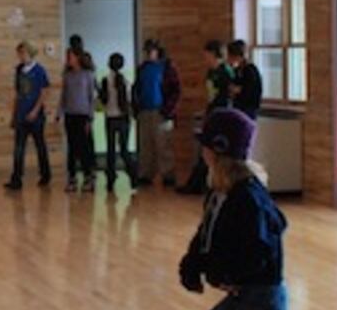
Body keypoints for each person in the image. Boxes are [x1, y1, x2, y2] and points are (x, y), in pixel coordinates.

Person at [123, 109, 337, 310]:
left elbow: (260, 251)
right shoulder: (219, 190)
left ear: (219, 150)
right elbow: (206, 232)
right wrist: (193, 264)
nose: (202, 150)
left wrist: (221, 272)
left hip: (261, 299)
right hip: (240, 298)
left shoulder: (249, 198)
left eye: (206, 145)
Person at [179, 40, 235, 195]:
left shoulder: (226, 72)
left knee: (214, 150)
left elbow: (227, 96)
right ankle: (198, 184)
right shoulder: (211, 72)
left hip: (222, 115)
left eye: (207, 55)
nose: (205, 59)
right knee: (205, 150)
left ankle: (209, 184)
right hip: (212, 113)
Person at [132, 40, 181, 188]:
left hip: (161, 112)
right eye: (146, 51)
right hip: (145, 111)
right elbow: (136, 89)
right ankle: (145, 174)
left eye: (150, 51)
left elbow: (175, 90)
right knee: (145, 145)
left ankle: (168, 175)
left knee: (164, 146)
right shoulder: (142, 69)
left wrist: (168, 110)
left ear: (157, 51)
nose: (148, 54)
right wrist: (137, 108)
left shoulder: (166, 68)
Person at [5, 40, 52, 190]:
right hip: (21, 114)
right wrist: (14, 115)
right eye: (19, 53)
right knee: (18, 148)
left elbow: (44, 92)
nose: (20, 56)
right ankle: (16, 178)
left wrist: (35, 111)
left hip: (35, 116)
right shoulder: (19, 70)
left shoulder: (39, 70)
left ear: (29, 53)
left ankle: (45, 174)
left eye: (23, 53)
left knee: (40, 146)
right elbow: (17, 93)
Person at [60, 47, 98, 192]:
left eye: (70, 56)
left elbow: (92, 98)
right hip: (70, 115)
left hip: (83, 116)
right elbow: (63, 96)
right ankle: (72, 177)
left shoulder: (88, 75)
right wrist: (59, 112)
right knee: (72, 147)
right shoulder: (67, 76)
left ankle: (88, 176)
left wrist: (90, 117)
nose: (68, 59)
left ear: (77, 58)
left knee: (84, 148)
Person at [99, 52, 133, 192]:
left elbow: (103, 100)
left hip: (110, 118)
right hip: (124, 118)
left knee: (111, 151)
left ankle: (110, 182)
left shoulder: (105, 80)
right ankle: (133, 178)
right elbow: (129, 100)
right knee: (124, 150)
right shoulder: (126, 81)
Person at [227, 39, 264, 119]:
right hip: (239, 107)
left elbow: (250, 90)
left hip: (248, 108)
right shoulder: (237, 70)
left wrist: (238, 90)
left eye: (230, 55)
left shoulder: (250, 70)